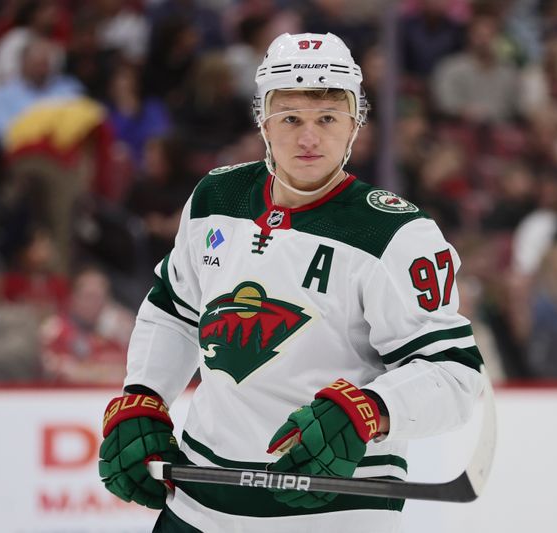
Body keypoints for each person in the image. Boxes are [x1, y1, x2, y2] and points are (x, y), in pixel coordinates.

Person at [98, 32, 485, 532]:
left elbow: (455, 374)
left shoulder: (397, 234)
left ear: (355, 125)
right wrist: (146, 394)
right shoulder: (217, 197)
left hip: (333, 511)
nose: (308, 138)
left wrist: (371, 410)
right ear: (263, 121)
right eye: (290, 119)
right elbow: (174, 311)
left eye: (327, 119)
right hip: (199, 502)